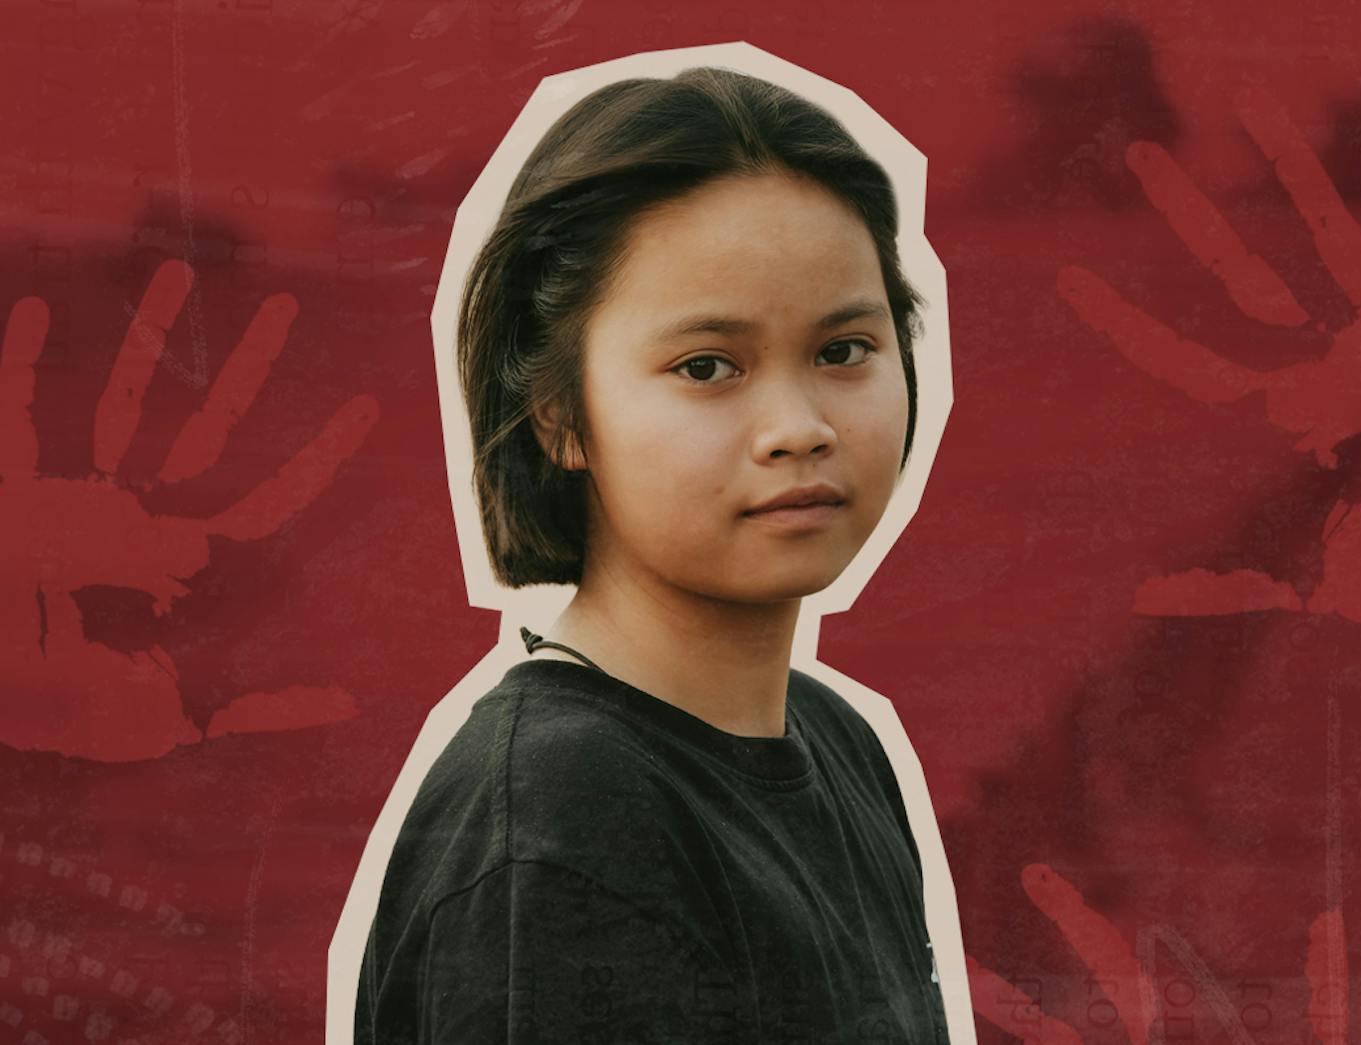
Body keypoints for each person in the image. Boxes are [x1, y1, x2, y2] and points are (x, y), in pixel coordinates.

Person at [353, 64, 950, 1043]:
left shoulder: (837, 739)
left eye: (843, 349)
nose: (797, 428)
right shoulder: (559, 822)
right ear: (559, 414)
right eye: (706, 367)